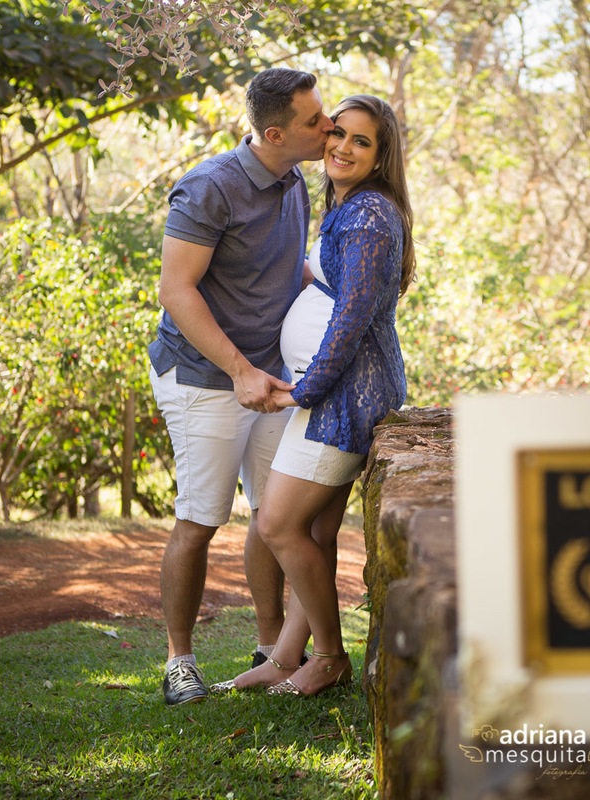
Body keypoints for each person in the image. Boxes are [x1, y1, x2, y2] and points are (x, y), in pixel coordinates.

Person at [210, 94, 414, 697]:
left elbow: (351, 319)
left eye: (361, 142)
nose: (342, 148)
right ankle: (284, 656)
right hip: (329, 397)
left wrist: (303, 392)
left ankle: (328, 656)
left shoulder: (372, 214)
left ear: (381, 157)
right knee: (315, 532)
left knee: (276, 523)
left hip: (342, 401)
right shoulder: (346, 207)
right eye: (337, 135)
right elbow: (332, 286)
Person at [148, 68, 335, 706]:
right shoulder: (209, 189)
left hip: (270, 377)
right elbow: (176, 290)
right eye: (316, 121)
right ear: (276, 132)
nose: (329, 127)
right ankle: (179, 662)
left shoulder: (296, 179)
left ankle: (270, 650)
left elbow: (287, 268)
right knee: (201, 518)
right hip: (206, 377)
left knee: (272, 515)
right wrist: (239, 371)